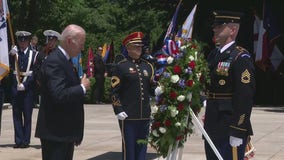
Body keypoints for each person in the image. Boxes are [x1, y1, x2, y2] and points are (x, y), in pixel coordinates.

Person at [203, 11, 255, 160]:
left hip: (229, 125)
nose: (215, 29)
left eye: (219, 27)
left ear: (232, 30)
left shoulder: (240, 57)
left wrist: (238, 129)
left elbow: (245, 96)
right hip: (213, 123)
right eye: (215, 26)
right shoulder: (214, 54)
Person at [35, 24, 90, 160]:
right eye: (81, 44)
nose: (82, 48)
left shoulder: (65, 61)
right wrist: (82, 88)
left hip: (64, 132)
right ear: (70, 41)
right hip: (56, 133)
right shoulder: (55, 61)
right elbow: (59, 94)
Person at [111, 31, 155, 160]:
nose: (139, 49)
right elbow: (114, 92)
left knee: (142, 149)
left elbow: (150, 88)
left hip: (145, 115)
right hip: (128, 116)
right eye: (136, 46)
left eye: (140, 46)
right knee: (129, 150)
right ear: (128, 48)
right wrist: (118, 109)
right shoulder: (121, 67)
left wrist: (157, 90)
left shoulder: (148, 66)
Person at [9, 31, 37, 148]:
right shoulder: (14, 54)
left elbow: (35, 73)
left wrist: (26, 85)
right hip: (16, 89)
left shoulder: (33, 54)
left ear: (28, 41)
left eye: (24, 40)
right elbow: (9, 69)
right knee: (16, 115)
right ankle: (18, 140)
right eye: (20, 40)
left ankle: (25, 141)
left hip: (28, 90)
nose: (22, 43)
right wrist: (11, 55)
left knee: (27, 115)